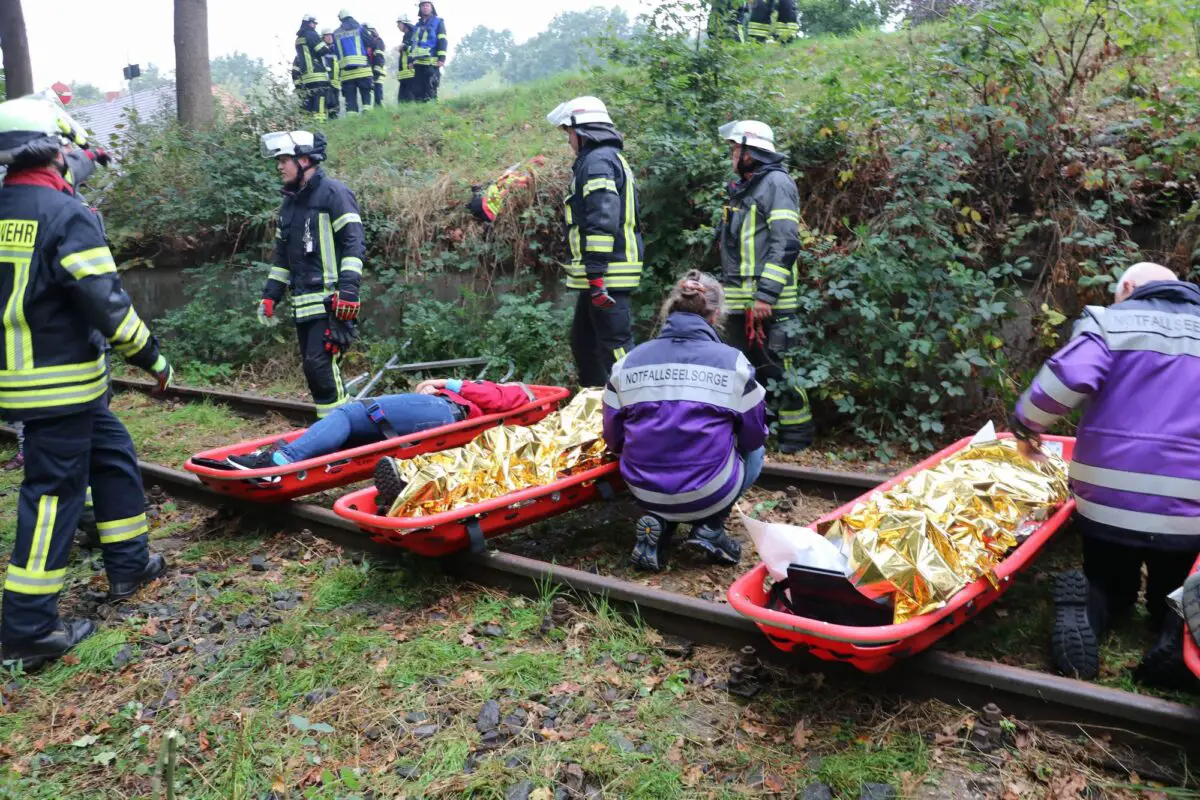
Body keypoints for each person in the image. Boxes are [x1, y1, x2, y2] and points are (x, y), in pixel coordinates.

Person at [0, 96, 173, 672]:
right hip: (59, 384)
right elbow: (106, 302)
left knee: (114, 452)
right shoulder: (65, 215)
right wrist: (151, 357)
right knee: (51, 498)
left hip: (27, 382)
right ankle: (29, 628)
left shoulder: (6, 208)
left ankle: (130, 562)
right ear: (55, 151)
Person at [1011, 261, 1200, 689]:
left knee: (1108, 581)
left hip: (1109, 501)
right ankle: (1174, 626)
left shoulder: (1111, 321)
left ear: (1128, 287)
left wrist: (1026, 423)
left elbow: (1063, 383)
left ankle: (1094, 606)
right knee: (1174, 589)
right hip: (1191, 511)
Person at [603, 271, 768, 571]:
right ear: (716, 314)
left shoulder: (627, 362)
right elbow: (754, 436)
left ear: (670, 309)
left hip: (643, 488)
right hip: (710, 491)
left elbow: (613, 439)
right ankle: (710, 526)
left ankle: (662, 523)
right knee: (755, 452)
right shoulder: (733, 363)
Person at [716, 120, 813, 452]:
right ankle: (759, 433)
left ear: (750, 151)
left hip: (768, 300)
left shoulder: (775, 184)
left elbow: (785, 242)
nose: (731, 155)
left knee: (777, 368)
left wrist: (766, 295)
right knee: (743, 370)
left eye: (735, 149)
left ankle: (796, 438)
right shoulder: (745, 187)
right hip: (740, 298)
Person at [258, 131, 365, 419]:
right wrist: (271, 295)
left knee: (320, 367)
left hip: (332, 302)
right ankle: (331, 431)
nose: (279, 166)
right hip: (304, 304)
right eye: (278, 161)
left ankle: (343, 434)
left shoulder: (334, 194)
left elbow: (354, 242)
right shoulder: (289, 204)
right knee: (313, 370)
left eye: (284, 160)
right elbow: (282, 257)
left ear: (304, 159)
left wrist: (349, 290)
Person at [545, 96, 644, 389]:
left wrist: (597, 274)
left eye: (569, 134)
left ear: (583, 131)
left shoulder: (598, 162)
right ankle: (596, 409)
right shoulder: (601, 159)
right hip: (601, 274)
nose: (568, 141)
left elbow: (603, 216)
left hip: (607, 273)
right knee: (585, 344)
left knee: (616, 347)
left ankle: (635, 407)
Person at [223, 379, 536, 470]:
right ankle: (282, 459)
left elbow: (500, 398)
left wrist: (444, 382)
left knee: (349, 414)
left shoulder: (512, 390)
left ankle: (281, 461)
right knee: (348, 434)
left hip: (444, 410)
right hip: (441, 411)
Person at [333, 9, 375, 113]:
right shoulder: (359, 28)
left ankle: (352, 122)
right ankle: (368, 117)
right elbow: (370, 42)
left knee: (350, 103)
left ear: (341, 19)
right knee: (366, 100)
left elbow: (335, 51)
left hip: (346, 74)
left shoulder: (336, 33)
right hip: (363, 70)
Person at [294, 14, 332, 119]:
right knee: (320, 100)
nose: (315, 25)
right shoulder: (311, 34)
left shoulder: (298, 39)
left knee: (310, 103)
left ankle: (311, 125)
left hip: (306, 77)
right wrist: (329, 48)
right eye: (314, 23)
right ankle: (320, 124)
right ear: (309, 23)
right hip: (317, 74)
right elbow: (322, 50)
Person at [411, 1, 447, 102]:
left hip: (432, 61)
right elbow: (413, 43)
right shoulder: (417, 25)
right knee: (417, 90)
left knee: (431, 87)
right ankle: (420, 112)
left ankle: (432, 112)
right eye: (423, 6)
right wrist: (410, 60)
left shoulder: (438, 22)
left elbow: (442, 40)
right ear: (420, 8)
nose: (425, 8)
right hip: (418, 63)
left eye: (427, 6)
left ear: (432, 8)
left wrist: (442, 58)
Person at [363, 24, 387, 108]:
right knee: (372, 91)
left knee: (378, 92)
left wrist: (377, 70)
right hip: (371, 71)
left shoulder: (378, 41)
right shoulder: (368, 44)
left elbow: (379, 56)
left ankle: (380, 108)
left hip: (378, 70)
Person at [321, 27, 342, 119]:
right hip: (326, 83)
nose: (330, 37)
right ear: (323, 38)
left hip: (336, 83)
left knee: (335, 107)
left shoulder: (336, 50)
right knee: (327, 104)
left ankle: (334, 123)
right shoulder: (321, 50)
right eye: (327, 35)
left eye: (331, 35)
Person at [395, 15, 417, 103]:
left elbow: (414, 50)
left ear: (405, 23)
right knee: (402, 99)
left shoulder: (412, 34)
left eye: (399, 23)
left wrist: (404, 47)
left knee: (409, 96)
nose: (398, 26)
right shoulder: (406, 35)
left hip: (410, 71)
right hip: (404, 72)